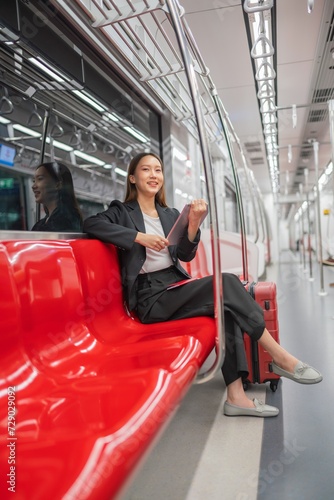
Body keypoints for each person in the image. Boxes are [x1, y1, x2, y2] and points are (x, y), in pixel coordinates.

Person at [83, 152, 323, 417]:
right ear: (132, 178)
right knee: (228, 283)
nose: (153, 175)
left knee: (226, 307)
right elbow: (91, 223)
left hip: (174, 286)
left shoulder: (170, 214)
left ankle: (236, 397)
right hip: (151, 296)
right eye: (146, 170)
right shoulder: (122, 211)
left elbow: (185, 255)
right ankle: (279, 356)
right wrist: (139, 237)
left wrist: (194, 223)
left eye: (158, 170)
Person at [31, 161, 83, 232]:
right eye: (34, 181)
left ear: (57, 185)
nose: (33, 186)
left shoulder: (66, 221)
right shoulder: (43, 222)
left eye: (40, 179)